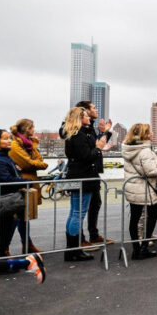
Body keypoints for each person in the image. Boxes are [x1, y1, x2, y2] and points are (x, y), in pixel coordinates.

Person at [67, 101, 114, 246]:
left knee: (81, 209)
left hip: (88, 174)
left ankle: (82, 241)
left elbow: (95, 144)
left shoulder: (85, 130)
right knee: (78, 212)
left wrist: (105, 134)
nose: (94, 111)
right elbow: (87, 154)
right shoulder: (78, 133)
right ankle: (76, 244)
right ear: (81, 116)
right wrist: (98, 148)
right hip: (84, 176)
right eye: (88, 113)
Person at [122, 123, 157, 260]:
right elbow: (150, 171)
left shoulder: (129, 149)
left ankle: (136, 250)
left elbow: (148, 166)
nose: (152, 134)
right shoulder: (145, 151)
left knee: (134, 218)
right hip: (145, 189)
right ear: (145, 135)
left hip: (133, 188)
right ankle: (143, 247)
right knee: (153, 215)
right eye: (150, 132)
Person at [0, 129, 31, 257]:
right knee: (1, 233)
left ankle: (2, 259)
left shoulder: (2, 156)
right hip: (3, 200)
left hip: (7, 199)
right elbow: (6, 179)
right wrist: (26, 181)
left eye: (9, 138)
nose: (9, 141)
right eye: (5, 138)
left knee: (5, 231)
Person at [8, 119, 45, 254]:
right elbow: (28, 163)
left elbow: (40, 161)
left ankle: (27, 244)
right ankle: (4, 248)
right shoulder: (15, 145)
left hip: (28, 182)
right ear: (26, 129)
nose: (34, 129)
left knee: (24, 216)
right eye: (32, 127)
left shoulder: (29, 144)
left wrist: (34, 164)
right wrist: (34, 164)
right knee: (16, 217)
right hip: (19, 184)